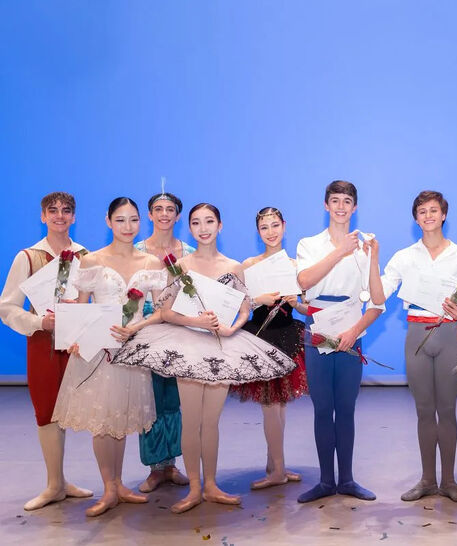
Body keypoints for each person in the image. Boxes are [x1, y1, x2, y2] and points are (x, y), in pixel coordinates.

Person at [111, 203, 297, 513]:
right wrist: (196, 322)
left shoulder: (234, 267)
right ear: (191, 229)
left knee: (211, 423)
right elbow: (166, 311)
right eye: (196, 223)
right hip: (187, 346)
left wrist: (230, 328)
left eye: (209, 221)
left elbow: (243, 309)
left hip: (222, 348)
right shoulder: (180, 266)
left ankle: (211, 485)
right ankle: (194, 488)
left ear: (220, 226)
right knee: (191, 422)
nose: (203, 227)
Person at [51, 197, 164, 516]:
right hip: (96, 352)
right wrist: (76, 337)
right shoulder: (91, 261)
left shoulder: (151, 263)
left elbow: (161, 311)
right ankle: (108, 488)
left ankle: (119, 484)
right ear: (108, 221)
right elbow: (82, 305)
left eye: (133, 220)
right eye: (120, 220)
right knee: (102, 423)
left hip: (132, 350)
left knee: (120, 418)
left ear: (140, 222)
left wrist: (137, 327)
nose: (127, 227)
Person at [371, 190, 457, 504]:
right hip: (417, 336)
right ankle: (427, 480)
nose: (428, 215)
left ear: (444, 215)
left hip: (447, 336)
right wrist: (373, 260)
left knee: (447, 410)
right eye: (422, 211)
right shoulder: (404, 256)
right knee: (423, 411)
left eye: (434, 210)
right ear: (416, 218)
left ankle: (449, 481)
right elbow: (380, 296)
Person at [0, 192, 93, 510]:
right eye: (52, 210)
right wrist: (40, 321)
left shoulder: (85, 255)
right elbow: (7, 307)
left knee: (72, 411)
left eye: (66, 211)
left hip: (78, 343)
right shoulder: (27, 257)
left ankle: (61, 482)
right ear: (43, 216)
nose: (59, 215)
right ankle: (54, 484)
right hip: (42, 343)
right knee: (46, 411)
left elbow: (95, 300)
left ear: (74, 217)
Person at [295, 181, 383, 503]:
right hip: (317, 327)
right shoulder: (309, 243)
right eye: (335, 201)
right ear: (326, 205)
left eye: (347, 201)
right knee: (322, 408)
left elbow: (376, 299)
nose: (341, 207)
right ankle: (324, 481)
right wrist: (339, 251)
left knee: (346, 408)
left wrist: (372, 259)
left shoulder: (365, 248)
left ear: (355, 207)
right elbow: (304, 281)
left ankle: (346, 479)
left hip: (351, 330)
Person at [230, 207, 309, 489]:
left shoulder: (294, 263)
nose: (271, 232)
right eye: (265, 227)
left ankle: (275, 465)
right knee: (270, 406)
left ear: (284, 226)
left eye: (275, 225)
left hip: (287, 335)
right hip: (260, 337)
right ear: (258, 231)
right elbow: (236, 304)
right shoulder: (249, 264)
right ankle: (278, 469)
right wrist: (256, 299)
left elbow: (305, 305)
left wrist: (294, 302)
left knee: (281, 406)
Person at [133, 191, 192, 493]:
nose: (164, 214)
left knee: (175, 398)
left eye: (170, 209)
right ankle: (155, 467)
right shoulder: (137, 252)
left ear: (178, 215)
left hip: (181, 330)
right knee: (151, 398)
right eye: (158, 209)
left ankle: (172, 464)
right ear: (150, 214)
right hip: (146, 330)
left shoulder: (190, 251)